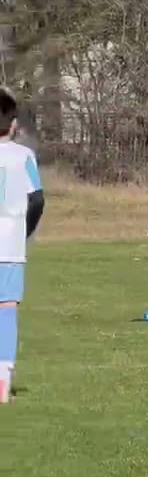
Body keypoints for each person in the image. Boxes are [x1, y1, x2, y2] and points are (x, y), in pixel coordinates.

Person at [0, 91, 44, 403]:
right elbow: (37, 198)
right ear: (13, 124)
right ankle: (3, 379)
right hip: (10, 242)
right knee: (6, 310)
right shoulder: (23, 156)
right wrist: (25, 230)